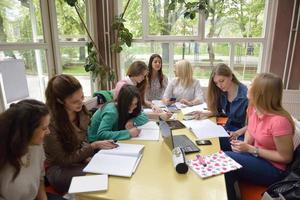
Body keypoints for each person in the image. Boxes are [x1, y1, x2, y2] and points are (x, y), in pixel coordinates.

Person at [224, 73, 295, 200]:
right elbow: (250, 130)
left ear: (260, 92)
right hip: (255, 156)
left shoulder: (279, 121)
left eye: (251, 84)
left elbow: (286, 157)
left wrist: (251, 150)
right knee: (222, 140)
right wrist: (243, 145)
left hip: (273, 169)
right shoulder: (252, 108)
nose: (247, 86)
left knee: (227, 158)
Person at [44, 74, 117, 193]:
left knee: (111, 169)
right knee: (101, 179)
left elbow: (82, 140)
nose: (80, 103)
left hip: (78, 159)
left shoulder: (81, 111)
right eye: (74, 101)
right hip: (60, 169)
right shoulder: (50, 123)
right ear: (60, 100)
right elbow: (63, 160)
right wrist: (92, 147)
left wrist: (87, 156)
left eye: (82, 97)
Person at [0, 99, 50, 200]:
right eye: (44, 128)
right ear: (26, 131)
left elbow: (40, 179)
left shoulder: (37, 146)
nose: (49, 132)